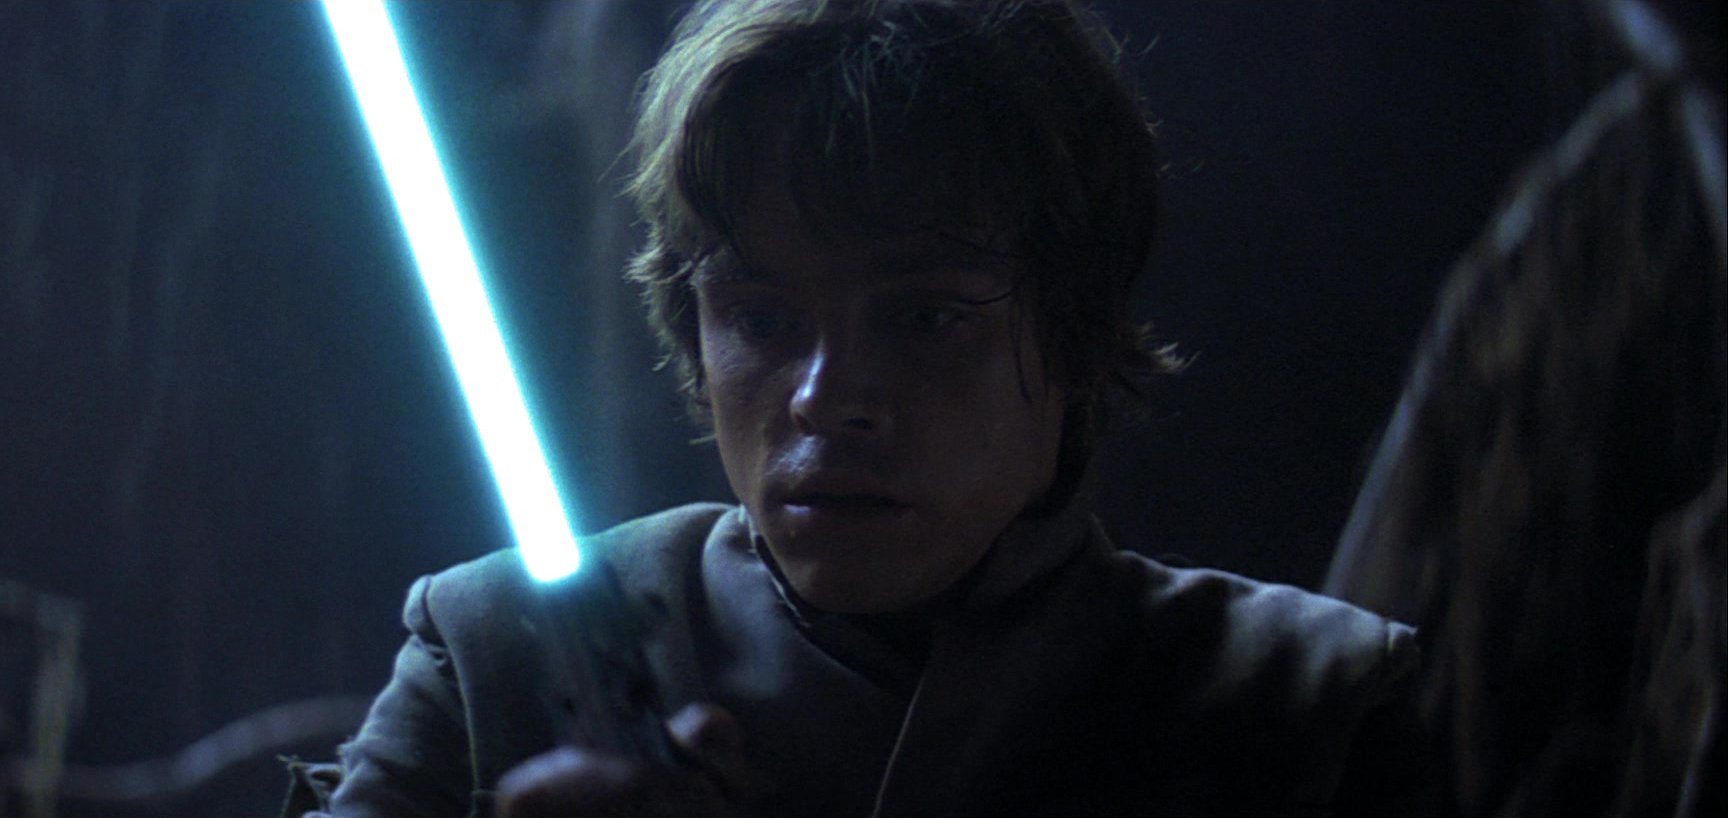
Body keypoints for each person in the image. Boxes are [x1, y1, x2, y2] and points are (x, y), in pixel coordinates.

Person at [292, 2, 1433, 815]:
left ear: (1076, 332)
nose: (827, 396)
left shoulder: (1308, 707)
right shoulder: (494, 655)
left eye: (925, 317)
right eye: (763, 317)